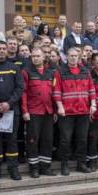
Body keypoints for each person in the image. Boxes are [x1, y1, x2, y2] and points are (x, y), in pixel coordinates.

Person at [0, 40, 24, 182]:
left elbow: (19, 88)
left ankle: (13, 169)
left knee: (12, 140)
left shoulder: (14, 68)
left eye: (4, 49)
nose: (1, 51)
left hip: (11, 110)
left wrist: (9, 103)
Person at [53, 47, 96, 175]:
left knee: (82, 139)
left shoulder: (85, 71)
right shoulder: (60, 72)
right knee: (65, 139)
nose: (73, 58)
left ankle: (80, 163)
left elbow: (91, 89)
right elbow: (56, 91)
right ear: (66, 57)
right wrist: (60, 107)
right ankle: (64, 164)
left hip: (83, 111)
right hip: (67, 112)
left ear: (79, 56)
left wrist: (93, 104)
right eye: (71, 55)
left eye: (75, 56)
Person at [22, 47, 57, 178]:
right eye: (33, 56)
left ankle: (45, 167)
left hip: (48, 111)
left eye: (38, 56)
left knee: (47, 140)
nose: (35, 58)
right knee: (33, 140)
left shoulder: (50, 73)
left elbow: (53, 93)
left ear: (43, 57)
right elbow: (24, 93)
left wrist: (54, 110)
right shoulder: (27, 72)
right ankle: (34, 167)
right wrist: (25, 110)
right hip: (33, 111)